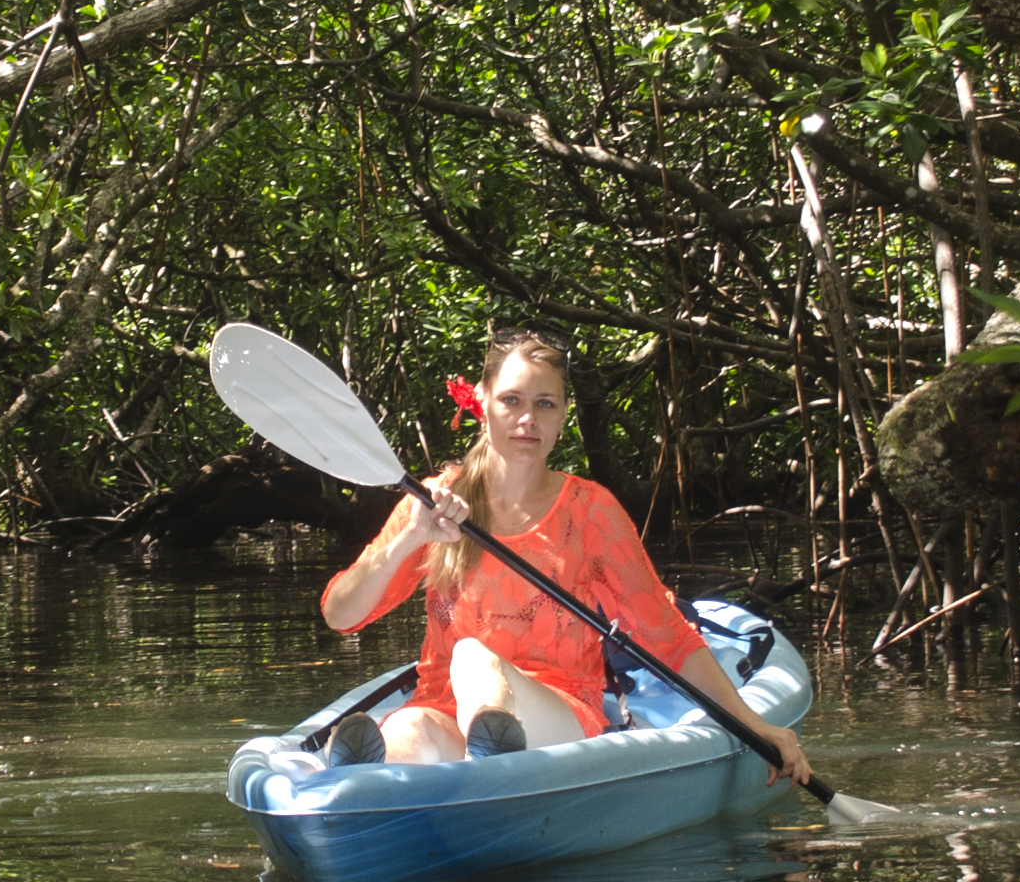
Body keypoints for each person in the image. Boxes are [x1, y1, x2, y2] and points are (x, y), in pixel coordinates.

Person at [314, 328, 819, 787]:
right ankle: (371, 784)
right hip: (444, 708)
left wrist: (753, 724)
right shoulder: (433, 503)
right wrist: (410, 539)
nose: (527, 419)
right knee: (409, 723)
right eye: (511, 400)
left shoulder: (590, 511)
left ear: (563, 415)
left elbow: (666, 635)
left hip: (557, 714)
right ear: (481, 402)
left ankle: (491, 761)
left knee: (472, 656)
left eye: (545, 404)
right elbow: (340, 614)